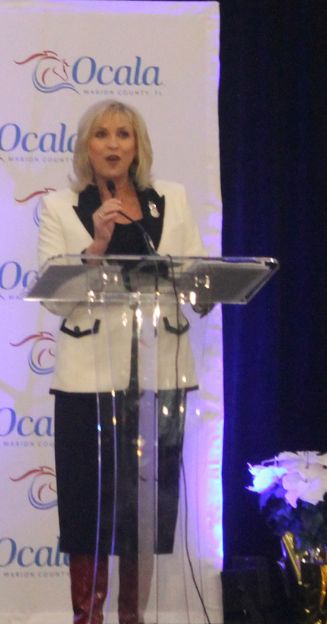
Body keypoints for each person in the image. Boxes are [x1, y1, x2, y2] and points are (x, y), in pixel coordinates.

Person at [36, 100, 206, 624]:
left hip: (159, 379)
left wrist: (204, 287)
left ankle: (133, 618)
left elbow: (199, 285)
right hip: (88, 382)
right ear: (86, 147)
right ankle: (88, 617)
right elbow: (53, 297)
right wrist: (98, 244)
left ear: (139, 146)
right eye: (102, 135)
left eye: (124, 135)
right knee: (87, 514)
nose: (113, 145)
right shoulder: (61, 206)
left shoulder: (169, 201)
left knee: (144, 518)